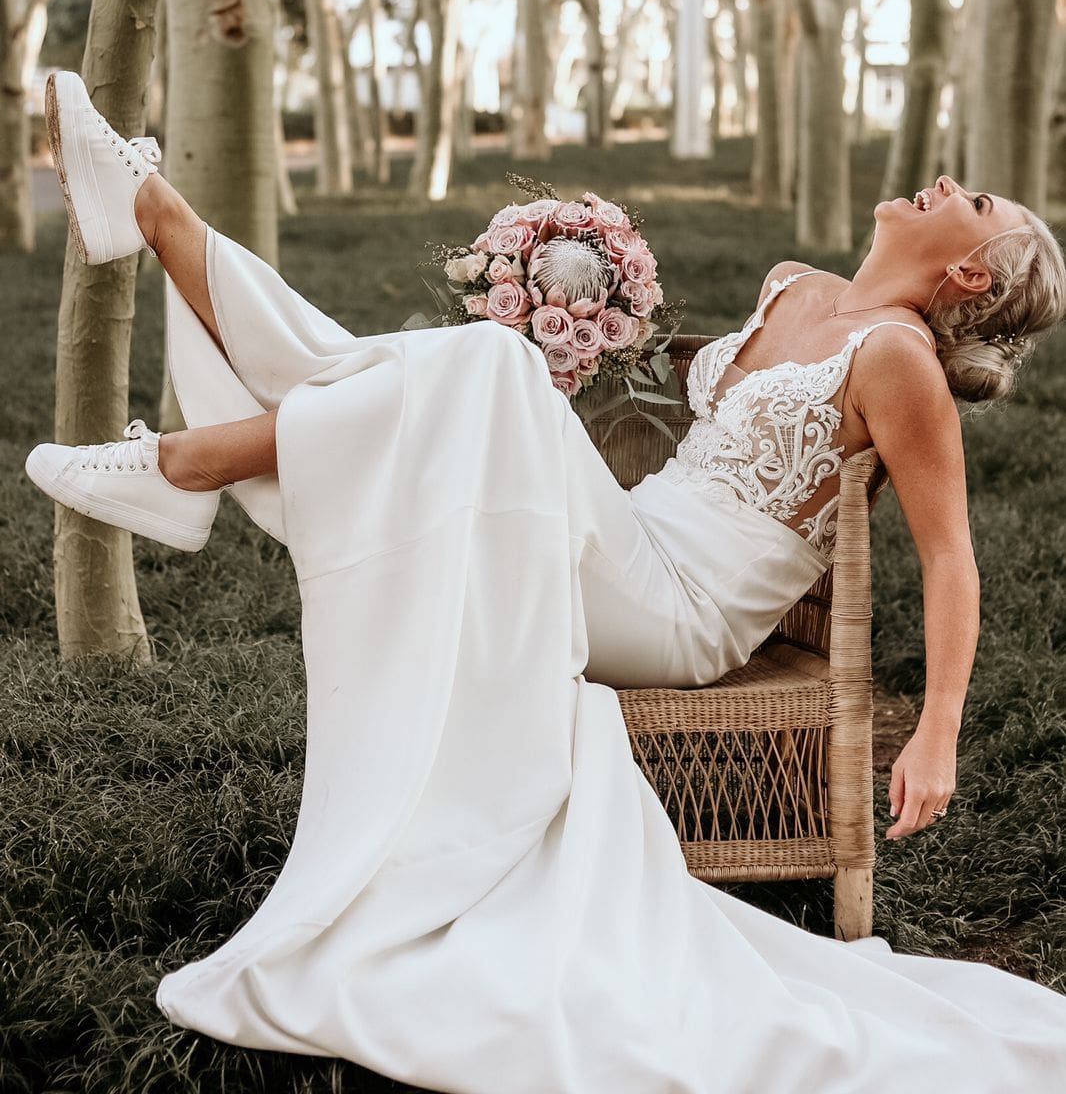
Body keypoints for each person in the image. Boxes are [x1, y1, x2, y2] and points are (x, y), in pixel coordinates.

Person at [25, 71, 1066, 1093]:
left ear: (969, 276)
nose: (945, 182)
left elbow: (949, 556)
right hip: (627, 534)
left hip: (682, 609)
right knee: (478, 373)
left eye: (973, 204)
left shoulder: (899, 362)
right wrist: (586, 299)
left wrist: (936, 730)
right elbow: (679, 403)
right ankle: (160, 250)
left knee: (487, 374)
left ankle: (183, 437)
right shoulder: (794, 285)